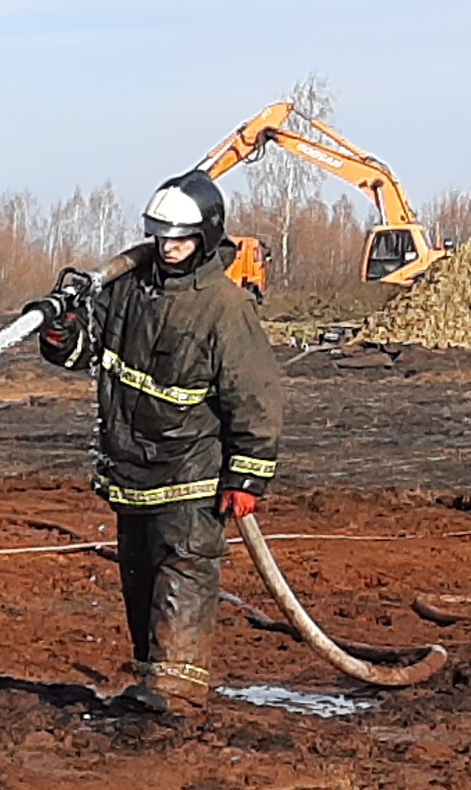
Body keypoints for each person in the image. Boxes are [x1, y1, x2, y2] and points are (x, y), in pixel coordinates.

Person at [29, 173, 284, 718]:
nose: (168, 248)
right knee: (142, 575)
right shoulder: (127, 290)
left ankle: (178, 692)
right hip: (132, 470)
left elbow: (255, 396)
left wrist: (248, 476)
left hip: (192, 470)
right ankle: (152, 681)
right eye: (161, 236)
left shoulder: (224, 308)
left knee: (183, 569)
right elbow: (83, 354)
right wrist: (61, 330)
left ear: (206, 237)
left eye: (181, 238)